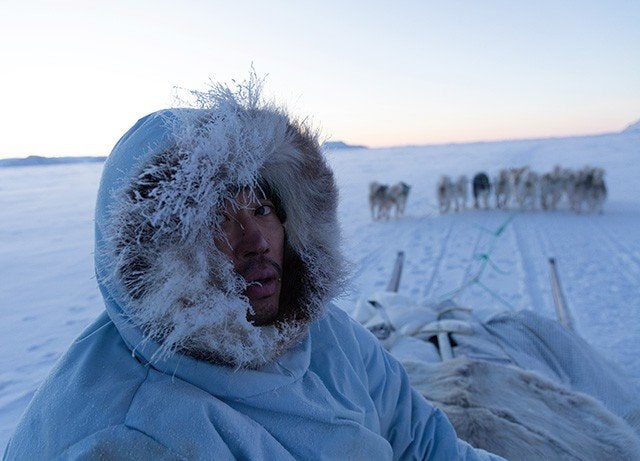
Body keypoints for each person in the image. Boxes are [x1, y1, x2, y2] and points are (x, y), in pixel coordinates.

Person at [4, 75, 503, 460]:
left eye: (261, 209)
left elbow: (426, 444)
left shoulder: (330, 341)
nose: (256, 241)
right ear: (156, 256)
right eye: (214, 221)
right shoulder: (129, 434)